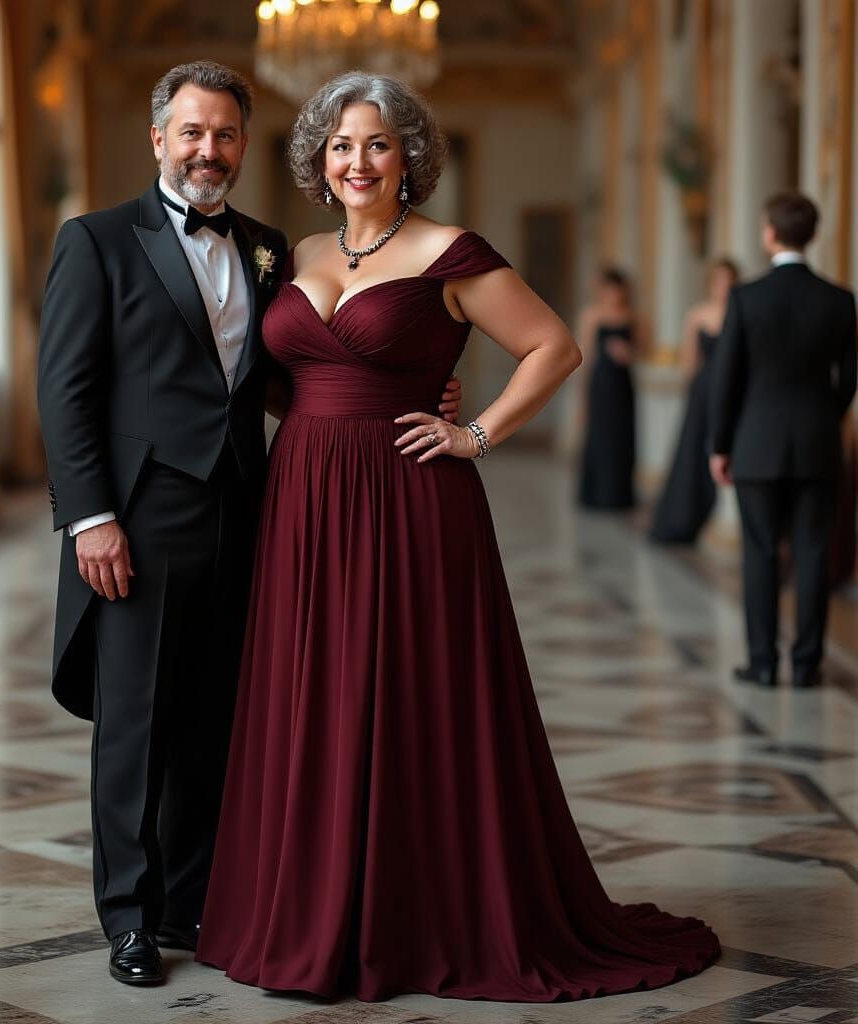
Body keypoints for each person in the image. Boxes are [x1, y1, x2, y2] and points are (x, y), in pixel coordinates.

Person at [196, 71, 720, 1003]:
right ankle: (310, 906)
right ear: (321, 156)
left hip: (411, 501)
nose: (358, 161)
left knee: (408, 696)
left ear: (411, 158)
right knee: (311, 690)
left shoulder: (450, 252)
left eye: (379, 144)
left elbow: (555, 346)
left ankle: (416, 912)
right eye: (342, 145)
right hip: (304, 498)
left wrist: (474, 432)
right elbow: (278, 380)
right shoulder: (296, 250)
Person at [36, 61, 461, 987]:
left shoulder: (272, 245)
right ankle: (131, 919)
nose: (208, 150)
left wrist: (413, 387)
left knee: (216, 721)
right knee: (136, 726)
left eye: (225, 134)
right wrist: (91, 520)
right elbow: (65, 394)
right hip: (136, 526)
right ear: (159, 139)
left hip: (253, 514)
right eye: (191, 132)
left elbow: (297, 371)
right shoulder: (98, 241)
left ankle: (194, 896)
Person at [710, 193, 857, 689]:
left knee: (760, 552)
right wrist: (825, 416)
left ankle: (762, 662)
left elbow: (726, 378)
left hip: (756, 444)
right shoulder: (839, 300)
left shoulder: (747, 297)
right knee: (813, 553)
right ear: (812, 235)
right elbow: (850, 377)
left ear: (770, 233)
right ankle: (807, 664)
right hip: (818, 445)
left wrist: (720, 445)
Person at [650, 258, 740, 543]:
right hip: (703, 390)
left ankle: (720, 513)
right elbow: (690, 362)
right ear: (710, 284)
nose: (723, 286)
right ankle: (685, 516)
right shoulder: (697, 315)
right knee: (693, 451)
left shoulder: (740, 311)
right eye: (719, 281)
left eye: (729, 281)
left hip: (731, 389)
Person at [577, 267, 649, 510]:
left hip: (623, 385)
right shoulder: (591, 316)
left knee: (622, 438)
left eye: (617, 289)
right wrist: (583, 398)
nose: (613, 294)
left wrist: (630, 354)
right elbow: (585, 357)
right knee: (599, 437)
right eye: (608, 289)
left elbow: (645, 351)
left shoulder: (634, 317)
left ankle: (620, 495)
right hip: (600, 384)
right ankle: (596, 495)